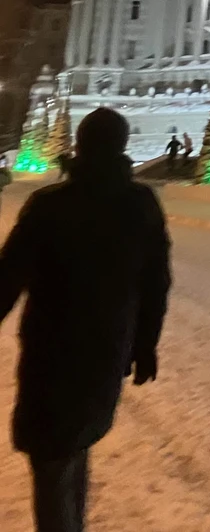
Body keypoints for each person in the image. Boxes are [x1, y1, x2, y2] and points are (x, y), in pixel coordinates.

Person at [0, 106, 171, 532]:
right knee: (72, 446)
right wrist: (145, 345)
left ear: (80, 145)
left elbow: (7, 277)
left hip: (51, 352)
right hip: (107, 349)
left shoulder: (50, 205)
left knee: (52, 456)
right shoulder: (140, 204)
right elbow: (156, 284)